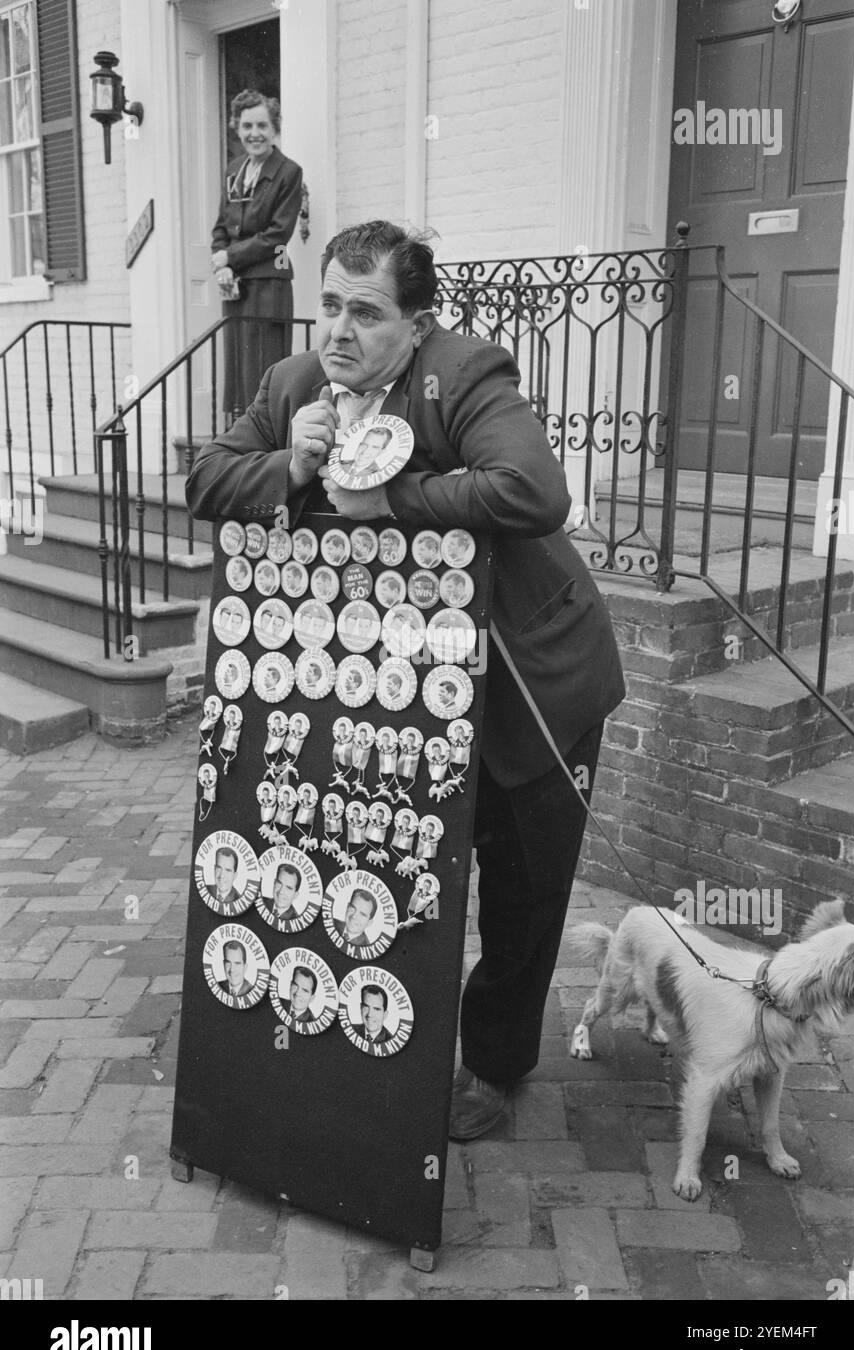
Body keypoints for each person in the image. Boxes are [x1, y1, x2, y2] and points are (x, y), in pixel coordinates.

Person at [188, 219, 625, 1140]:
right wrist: (293, 463)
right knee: (401, 870)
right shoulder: (293, 384)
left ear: (418, 322)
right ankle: (382, 1042)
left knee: (523, 891)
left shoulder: (463, 375)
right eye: (330, 308)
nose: (339, 332)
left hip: (531, 684)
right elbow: (205, 479)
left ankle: (497, 1067)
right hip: (400, 697)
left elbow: (534, 491)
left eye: (368, 313)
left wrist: (394, 497)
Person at [211, 89, 303, 417]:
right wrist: (220, 264)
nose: (255, 134)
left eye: (262, 125)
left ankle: (266, 440)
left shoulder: (288, 172)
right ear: (237, 128)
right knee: (237, 367)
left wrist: (230, 258)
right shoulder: (233, 170)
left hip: (269, 285)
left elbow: (278, 236)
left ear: (274, 127)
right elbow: (221, 226)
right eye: (247, 126)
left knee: (264, 368)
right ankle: (240, 443)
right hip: (235, 288)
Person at [263, 862, 303, 928]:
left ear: (295, 895)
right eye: (279, 883)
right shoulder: (262, 901)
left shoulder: (295, 921)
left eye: (288, 888)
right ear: (274, 883)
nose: (281, 891)